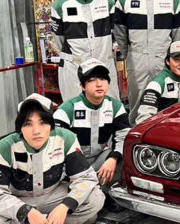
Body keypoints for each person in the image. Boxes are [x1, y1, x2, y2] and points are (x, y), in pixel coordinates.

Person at [0, 93, 105, 224]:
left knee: (95, 198)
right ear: (20, 127)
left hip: (54, 194)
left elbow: (85, 178)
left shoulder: (66, 138)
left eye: (43, 122)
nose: (36, 131)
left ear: (51, 125)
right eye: (28, 124)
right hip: (21, 199)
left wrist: (65, 207)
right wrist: (26, 212)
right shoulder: (4, 148)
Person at [53, 59, 129, 209]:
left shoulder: (115, 107)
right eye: (92, 80)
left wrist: (113, 158)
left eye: (103, 79)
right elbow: (56, 147)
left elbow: (123, 137)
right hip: (72, 166)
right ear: (82, 86)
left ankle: (105, 192)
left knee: (125, 155)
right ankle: (85, 195)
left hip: (98, 159)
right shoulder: (66, 110)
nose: (99, 84)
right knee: (87, 216)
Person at [113, 0, 180, 109]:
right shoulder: (124, 2)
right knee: (137, 102)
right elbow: (120, 34)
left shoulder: (172, 2)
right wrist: (130, 54)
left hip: (164, 60)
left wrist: (174, 58)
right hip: (137, 61)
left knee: (167, 101)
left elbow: (178, 36)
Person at [50, 0, 119, 101]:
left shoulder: (107, 2)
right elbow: (59, 41)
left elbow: (115, 33)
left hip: (104, 66)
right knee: (76, 109)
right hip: (74, 69)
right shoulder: (60, 6)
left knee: (110, 109)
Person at [130, 40, 180, 126]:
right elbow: (143, 121)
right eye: (177, 60)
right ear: (167, 61)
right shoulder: (157, 85)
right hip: (163, 129)